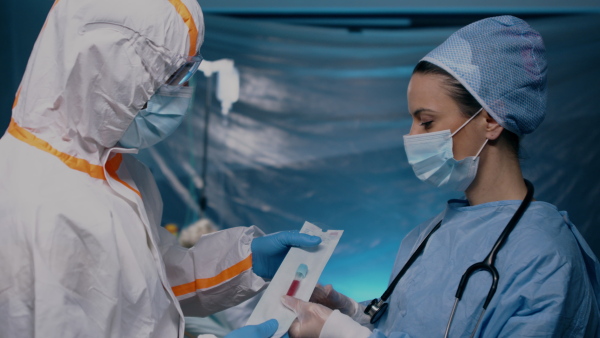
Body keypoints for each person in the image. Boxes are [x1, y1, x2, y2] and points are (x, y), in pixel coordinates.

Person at [0, 0, 321, 337]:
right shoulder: (27, 203)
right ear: (112, 68)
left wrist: (244, 262)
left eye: (187, 73)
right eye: (173, 75)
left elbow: (148, 286)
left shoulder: (118, 173)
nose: (181, 91)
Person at [280, 15, 600, 337]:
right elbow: (410, 326)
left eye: (427, 122)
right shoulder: (427, 237)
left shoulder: (543, 255)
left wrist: (342, 335)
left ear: (490, 120)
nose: (412, 135)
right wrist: (350, 313)